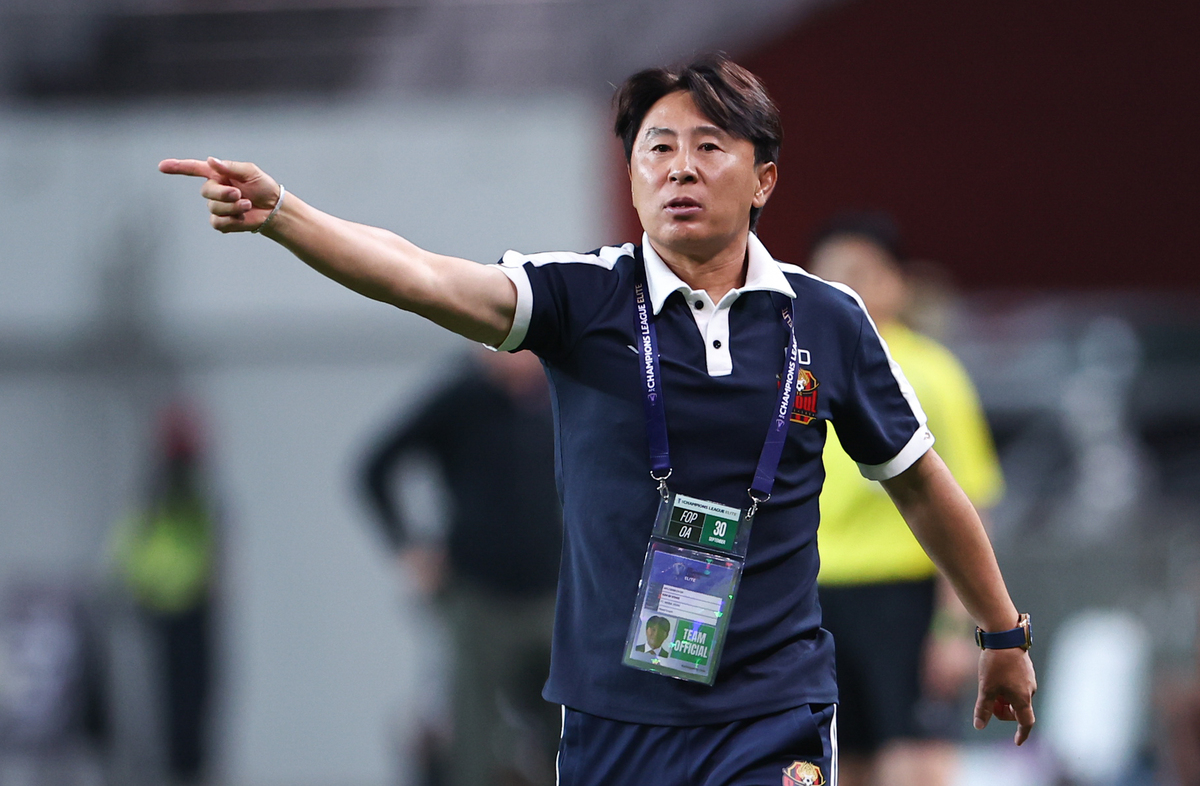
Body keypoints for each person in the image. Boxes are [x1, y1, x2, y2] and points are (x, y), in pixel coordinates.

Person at [159, 53, 1036, 786]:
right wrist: (286, 217)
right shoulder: (583, 296)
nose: (680, 168)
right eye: (658, 148)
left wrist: (1000, 631)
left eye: (709, 146)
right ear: (632, 177)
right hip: (614, 715)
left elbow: (922, 485)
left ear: (764, 179)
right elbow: (420, 273)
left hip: (774, 710)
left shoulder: (827, 319)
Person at [808, 213, 1005, 786]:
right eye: (831, 275)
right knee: (837, 764)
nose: (848, 288)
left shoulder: (933, 374)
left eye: (863, 273)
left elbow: (972, 505)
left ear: (898, 283)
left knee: (914, 765)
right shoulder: (797, 367)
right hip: (816, 599)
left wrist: (954, 629)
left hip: (904, 601)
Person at [358, 346, 561, 786]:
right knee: (474, 739)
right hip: (479, 596)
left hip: (552, 595)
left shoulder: (559, 395)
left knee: (566, 732)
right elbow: (375, 467)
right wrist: (408, 547)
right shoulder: (461, 398)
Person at [111, 402, 217, 786]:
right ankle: (179, 768)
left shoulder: (182, 489)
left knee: (191, 697)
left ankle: (186, 766)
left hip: (184, 602)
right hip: (169, 604)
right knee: (178, 698)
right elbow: (136, 545)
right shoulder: (166, 490)